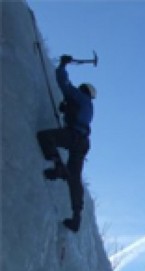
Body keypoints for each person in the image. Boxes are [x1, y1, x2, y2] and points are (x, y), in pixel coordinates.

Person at [37, 54, 96, 232]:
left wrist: (63, 65)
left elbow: (64, 84)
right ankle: (76, 217)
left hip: (74, 136)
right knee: (75, 178)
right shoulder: (89, 106)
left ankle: (58, 167)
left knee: (46, 137)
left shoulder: (80, 98)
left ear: (83, 90)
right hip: (83, 142)